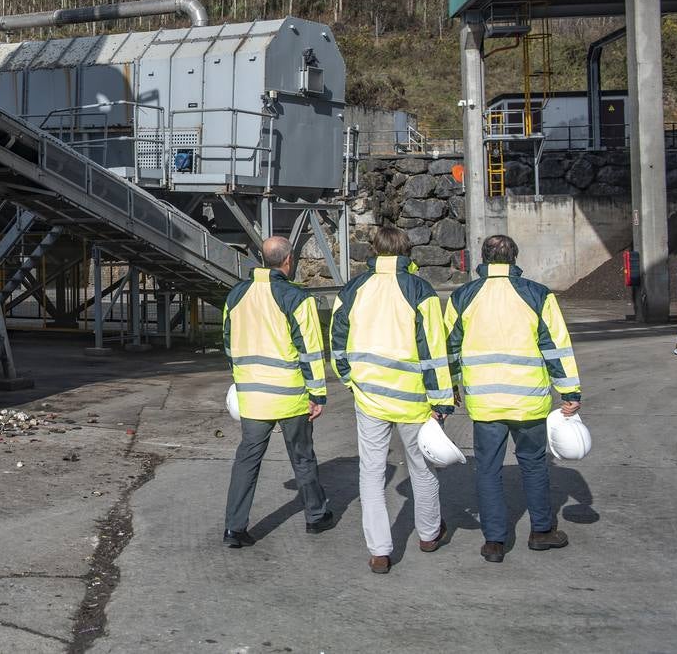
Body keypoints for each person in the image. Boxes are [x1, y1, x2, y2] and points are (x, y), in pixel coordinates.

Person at [445, 234, 582, 564]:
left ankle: (494, 541)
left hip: (485, 401)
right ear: (515, 259)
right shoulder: (537, 295)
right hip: (528, 399)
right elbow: (556, 347)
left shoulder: (463, 296)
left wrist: (449, 387)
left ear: (483, 258)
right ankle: (541, 531)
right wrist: (570, 391)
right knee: (534, 465)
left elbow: (448, 347)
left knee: (488, 469)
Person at [329, 226, 453, 574]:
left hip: (369, 395)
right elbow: (433, 351)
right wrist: (441, 400)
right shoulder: (420, 291)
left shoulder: (353, 289)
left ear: (375, 250)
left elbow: (337, 339)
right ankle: (429, 534)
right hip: (413, 397)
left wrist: (349, 379)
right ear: (406, 251)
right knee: (422, 468)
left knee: (370, 472)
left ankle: (380, 551)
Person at [221, 236, 334, 548]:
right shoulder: (295, 297)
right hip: (289, 394)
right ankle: (315, 516)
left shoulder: (236, 296)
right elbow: (310, 350)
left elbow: (228, 345)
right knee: (302, 457)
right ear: (289, 261)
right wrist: (317, 394)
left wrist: (242, 379)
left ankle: (234, 528)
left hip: (253, 396)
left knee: (247, 459)